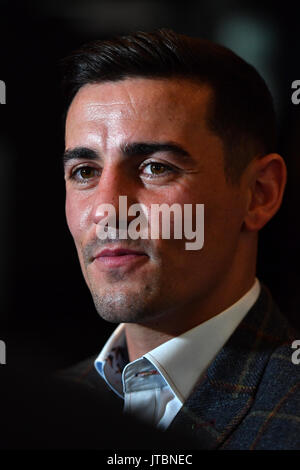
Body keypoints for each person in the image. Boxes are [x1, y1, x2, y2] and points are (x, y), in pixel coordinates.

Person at [60, 28, 300, 450]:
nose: (106, 210)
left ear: (260, 194)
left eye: (155, 167)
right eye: (85, 172)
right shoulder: (39, 411)